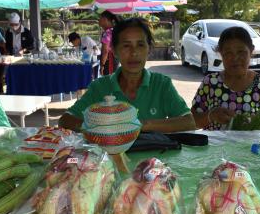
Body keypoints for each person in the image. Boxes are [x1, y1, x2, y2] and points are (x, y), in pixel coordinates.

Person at [59, 17, 196, 133]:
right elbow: (66, 120)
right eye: (126, 46)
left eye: (140, 45)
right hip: (109, 163)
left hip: (153, 163)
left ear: (149, 49)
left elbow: (188, 122)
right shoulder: (100, 87)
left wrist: (140, 125)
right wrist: (99, 128)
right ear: (115, 51)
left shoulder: (161, 84)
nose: (134, 53)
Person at [191, 26, 260, 130]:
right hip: (215, 146)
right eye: (228, 53)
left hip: (251, 146)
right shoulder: (210, 83)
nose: (235, 58)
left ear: (251, 51)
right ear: (221, 53)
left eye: (241, 52)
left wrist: (255, 122)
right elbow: (192, 121)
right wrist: (210, 116)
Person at [99, 10, 119, 75]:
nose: (98, 22)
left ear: (105, 20)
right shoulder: (114, 30)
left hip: (109, 61)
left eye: (100, 19)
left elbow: (105, 50)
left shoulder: (107, 33)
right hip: (115, 59)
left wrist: (102, 65)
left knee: (109, 81)